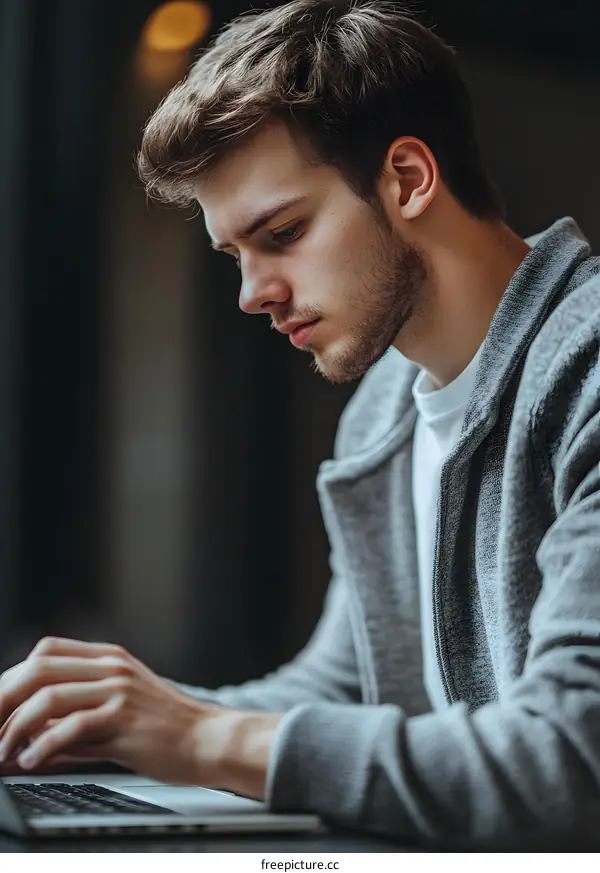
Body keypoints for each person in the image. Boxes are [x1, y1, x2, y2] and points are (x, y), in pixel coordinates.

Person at [1, 0, 599, 850]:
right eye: (234, 255)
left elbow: (573, 764)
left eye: (281, 233)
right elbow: (343, 686)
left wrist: (200, 736)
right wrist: (102, 719)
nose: (253, 294)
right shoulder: (384, 413)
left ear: (409, 178)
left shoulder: (588, 370)